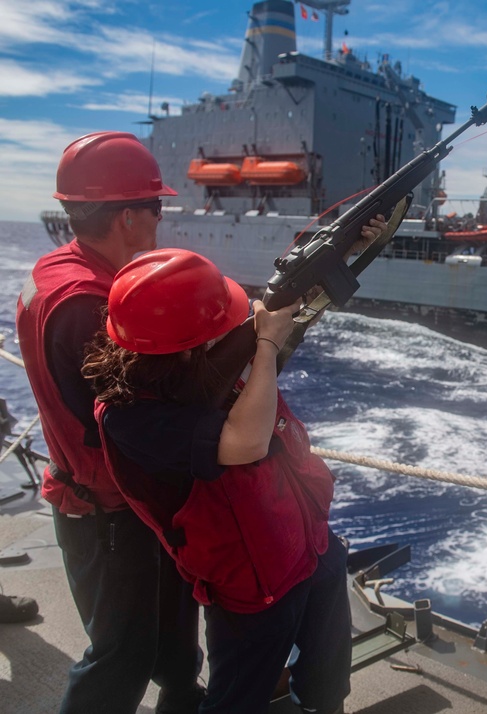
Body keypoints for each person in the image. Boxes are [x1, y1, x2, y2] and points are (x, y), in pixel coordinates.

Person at [83, 249, 354, 714]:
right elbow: (244, 443)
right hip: (250, 577)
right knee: (236, 699)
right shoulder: (130, 416)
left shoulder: (193, 363)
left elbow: (264, 342)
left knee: (328, 665)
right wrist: (264, 346)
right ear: (184, 347)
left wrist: (344, 256)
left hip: (304, 538)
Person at [16, 131, 205, 713]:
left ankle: (181, 693)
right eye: (155, 207)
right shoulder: (91, 306)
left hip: (115, 495)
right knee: (121, 651)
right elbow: (142, 425)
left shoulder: (56, 270)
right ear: (127, 216)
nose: (159, 219)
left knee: (173, 627)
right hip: (110, 509)